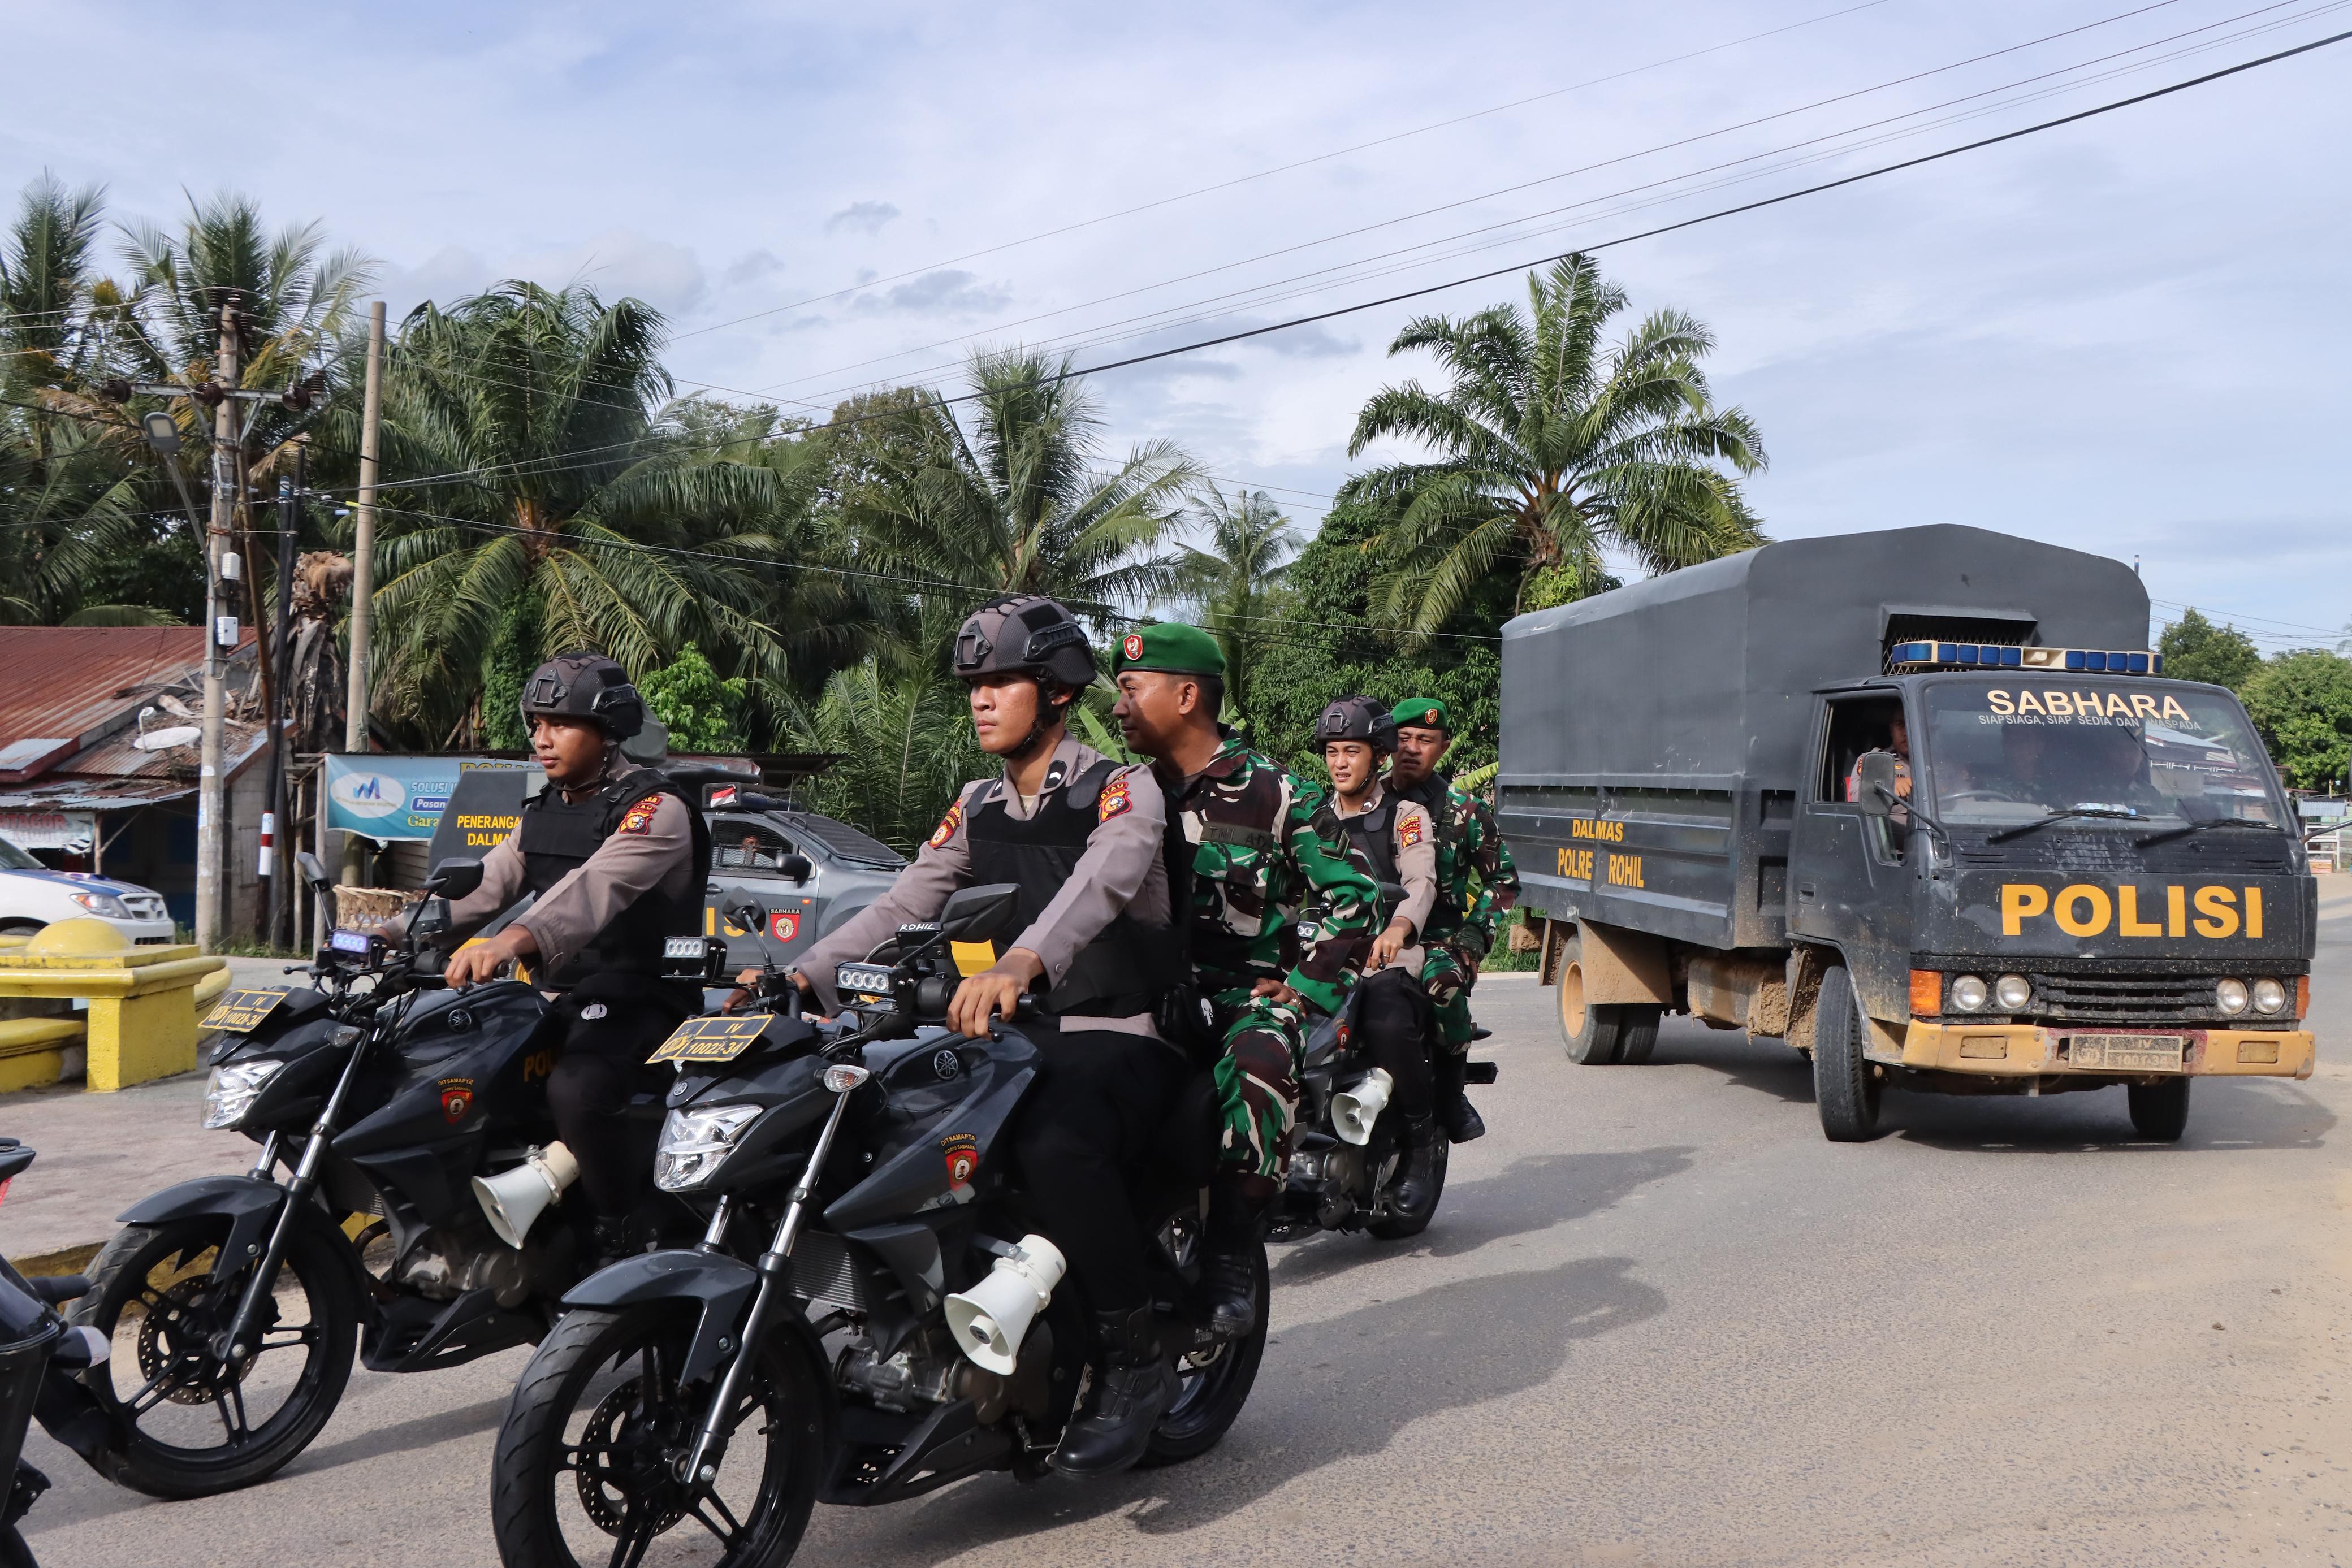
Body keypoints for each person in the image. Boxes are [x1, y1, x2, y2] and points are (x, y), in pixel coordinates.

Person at [785, 594, 1188, 1478]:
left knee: (1051, 1143)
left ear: (1055, 692)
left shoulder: (1122, 788)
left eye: (1002, 680)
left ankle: (1134, 1362)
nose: (980, 698)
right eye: (973, 683)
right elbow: (902, 901)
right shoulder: (975, 803)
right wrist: (799, 976)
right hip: (1012, 1041)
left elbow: (1103, 882)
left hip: (1115, 1032)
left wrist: (1023, 962)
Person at [1110, 624, 1377, 1339]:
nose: (1117, 707)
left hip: (1239, 996)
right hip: (1138, 994)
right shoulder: (1118, 791)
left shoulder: (1274, 792)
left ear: (1186, 694)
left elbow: (1353, 898)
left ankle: (1231, 1243)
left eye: (1132, 689)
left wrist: (1302, 983)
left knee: (1260, 1063)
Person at [439, 652, 713, 1268]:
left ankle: (620, 1232)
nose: (541, 737)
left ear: (607, 729)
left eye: (560, 722)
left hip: (645, 1001)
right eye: (536, 722)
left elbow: (591, 890)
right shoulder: (545, 811)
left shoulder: (655, 808)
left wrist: (508, 941)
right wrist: (393, 929)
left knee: (577, 1086)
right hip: (562, 1000)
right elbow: (487, 884)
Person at [1316, 696, 1443, 1220]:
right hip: (1321, 954)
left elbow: (1421, 882)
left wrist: (1396, 927)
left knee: (1388, 1018)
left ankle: (1418, 1147)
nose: (1341, 762)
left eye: (1352, 751)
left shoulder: (1406, 815)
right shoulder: (1310, 816)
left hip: (1387, 957)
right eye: (1332, 752)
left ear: (1378, 755)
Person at [1388, 698, 1520, 1143]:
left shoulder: (1464, 811)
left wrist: (1473, 937)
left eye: (1424, 740)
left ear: (1443, 748)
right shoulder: (1369, 802)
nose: (1411, 748)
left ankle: (1451, 1092)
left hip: (1441, 939)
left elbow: (1503, 879)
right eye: (1403, 738)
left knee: (1442, 985)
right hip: (1371, 933)